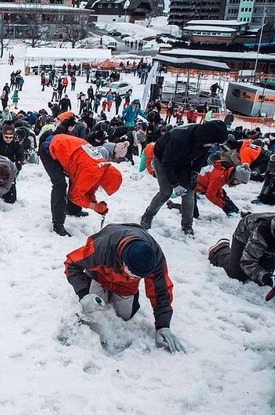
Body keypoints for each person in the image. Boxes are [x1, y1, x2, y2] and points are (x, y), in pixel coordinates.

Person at [65, 224, 184, 354]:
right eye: (133, 274)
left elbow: (161, 289)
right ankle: (92, 282)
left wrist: (163, 325)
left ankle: (125, 296)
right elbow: (71, 264)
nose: (135, 277)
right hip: (100, 276)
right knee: (94, 310)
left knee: (125, 315)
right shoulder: (102, 247)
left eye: (139, 277)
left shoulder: (155, 258)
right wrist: (83, 294)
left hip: (126, 286)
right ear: (124, 261)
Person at [140, 120, 228, 235]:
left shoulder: (205, 141)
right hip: (163, 159)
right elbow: (167, 163)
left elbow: (201, 157)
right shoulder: (181, 139)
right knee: (166, 192)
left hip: (183, 161)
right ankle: (148, 216)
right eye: (213, 142)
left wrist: (195, 172)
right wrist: (175, 185)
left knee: (189, 191)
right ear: (207, 137)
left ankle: (187, 225)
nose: (213, 145)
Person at [39, 132, 123, 237]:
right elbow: (74, 196)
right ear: (107, 181)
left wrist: (95, 203)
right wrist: (94, 206)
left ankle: (72, 209)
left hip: (67, 149)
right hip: (50, 149)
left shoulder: (102, 168)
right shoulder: (92, 170)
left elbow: (89, 190)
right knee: (60, 185)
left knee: (75, 181)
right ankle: (58, 224)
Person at [208, 213, 275, 289]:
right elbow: (247, 262)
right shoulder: (262, 231)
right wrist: (265, 277)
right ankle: (221, 251)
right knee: (238, 274)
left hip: (268, 246)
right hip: (244, 235)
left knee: (264, 276)